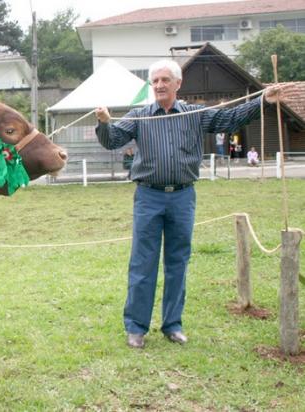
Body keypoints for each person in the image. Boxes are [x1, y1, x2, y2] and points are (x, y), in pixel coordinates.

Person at [94, 60, 281, 349]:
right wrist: (105, 123)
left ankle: (172, 325)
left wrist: (262, 101)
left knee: (177, 262)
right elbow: (113, 140)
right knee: (143, 263)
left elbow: (230, 119)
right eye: (154, 80)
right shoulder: (140, 116)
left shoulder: (196, 114)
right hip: (148, 197)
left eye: (165, 80)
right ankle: (136, 328)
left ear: (178, 84)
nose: (159, 85)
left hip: (182, 196)